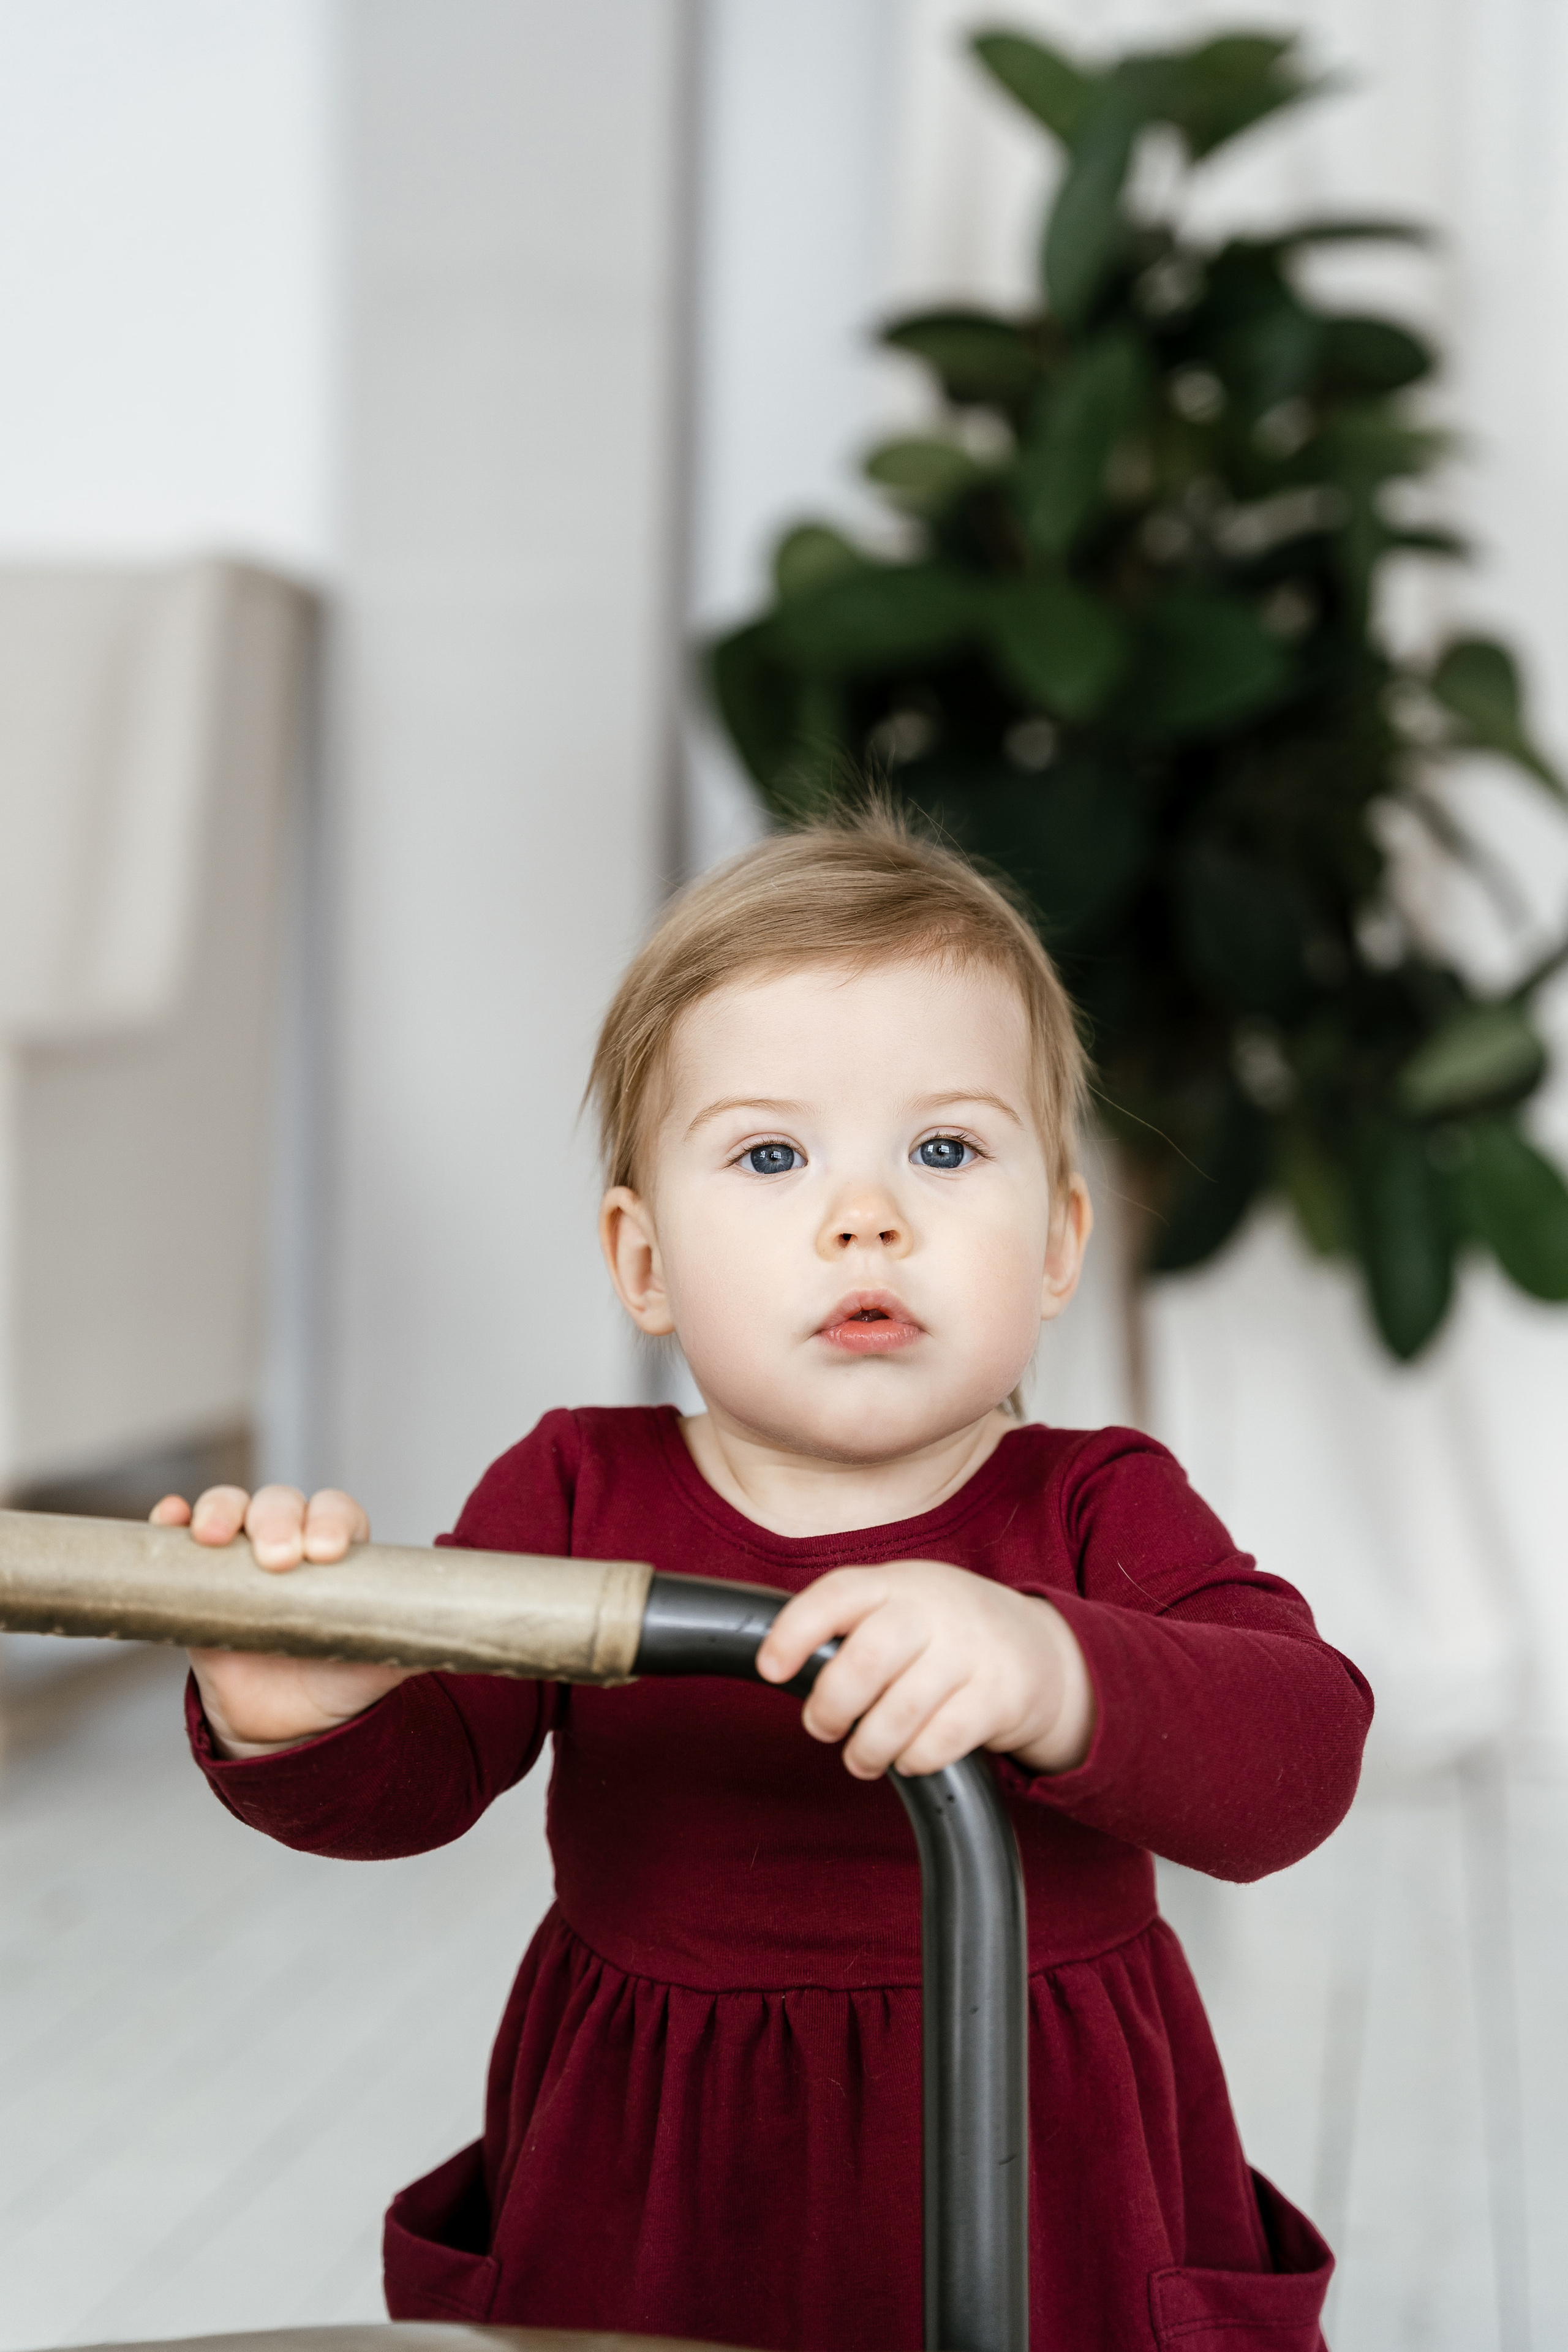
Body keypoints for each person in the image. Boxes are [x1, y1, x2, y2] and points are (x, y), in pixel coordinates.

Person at [161, 810, 1370, 2352]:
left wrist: (1053, 1668)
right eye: (770, 1153)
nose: (864, 1214)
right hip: (656, 2176)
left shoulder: (1090, 1500)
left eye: (944, 1149)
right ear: (644, 1258)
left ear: (1058, 1241)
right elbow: (416, 1780)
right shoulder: (578, 1486)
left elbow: (1295, 1762)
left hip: (1042, 2167)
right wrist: (303, 1706)